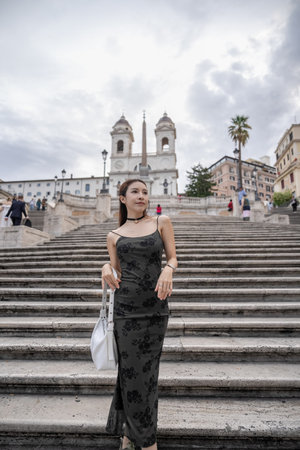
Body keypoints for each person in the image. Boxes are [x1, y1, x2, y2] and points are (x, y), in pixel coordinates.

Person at [102, 179, 177, 450]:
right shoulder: (114, 235)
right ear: (123, 198)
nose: (142, 196)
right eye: (135, 191)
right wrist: (104, 268)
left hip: (155, 308)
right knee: (130, 373)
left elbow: (173, 258)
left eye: (145, 192)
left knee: (146, 374)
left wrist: (168, 269)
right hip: (125, 310)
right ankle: (145, 442)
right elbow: (116, 271)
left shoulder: (161, 222)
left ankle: (130, 434)